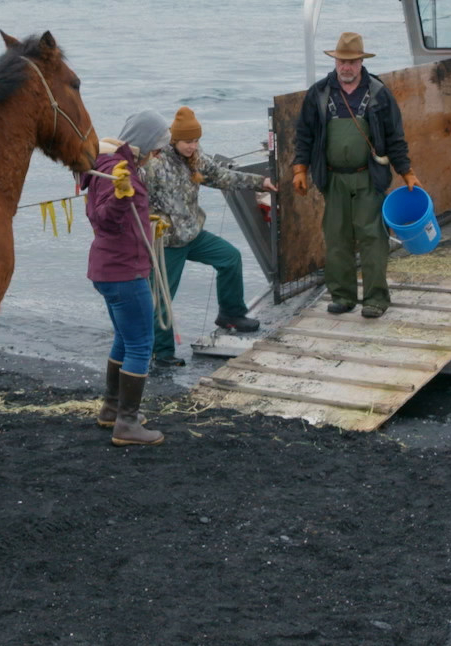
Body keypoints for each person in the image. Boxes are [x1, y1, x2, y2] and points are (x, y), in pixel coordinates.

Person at [290, 32, 421, 319]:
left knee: (373, 238)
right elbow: (304, 135)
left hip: (368, 178)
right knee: (336, 238)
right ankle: (342, 296)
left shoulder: (379, 93)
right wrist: (300, 169)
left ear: (361, 62)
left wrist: (406, 172)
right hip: (333, 179)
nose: (346, 67)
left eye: (352, 62)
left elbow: (395, 137)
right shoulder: (318, 93)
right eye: (342, 61)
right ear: (335, 61)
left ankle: (375, 299)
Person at [141, 106, 277, 366]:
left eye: (196, 140)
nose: (192, 146)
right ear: (174, 139)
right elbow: (135, 197)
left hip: (193, 234)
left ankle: (231, 314)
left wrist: (260, 182)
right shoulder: (155, 164)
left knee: (230, 257)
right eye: (187, 141)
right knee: (162, 298)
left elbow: (221, 176)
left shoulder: (195, 159)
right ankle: (162, 353)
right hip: (166, 241)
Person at [84, 110, 169, 447]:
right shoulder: (119, 173)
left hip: (109, 267)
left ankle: (112, 409)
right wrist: (122, 197)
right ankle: (127, 423)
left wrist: (147, 221)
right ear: (145, 145)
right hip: (123, 271)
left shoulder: (109, 164)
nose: (158, 156)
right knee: (141, 344)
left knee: (124, 338)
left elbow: (114, 218)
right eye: (157, 149)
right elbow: (105, 218)